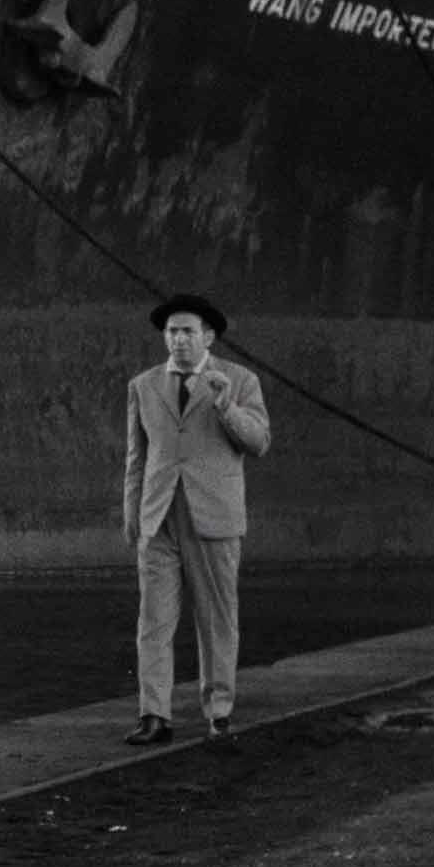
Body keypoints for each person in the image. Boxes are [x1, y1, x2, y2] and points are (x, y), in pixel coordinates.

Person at [122, 293, 271, 748]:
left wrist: (226, 406)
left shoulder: (240, 380)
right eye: (172, 332)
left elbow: (259, 442)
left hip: (214, 517)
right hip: (158, 519)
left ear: (208, 337)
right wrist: (132, 516)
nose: (178, 339)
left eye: (188, 331)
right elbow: (136, 458)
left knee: (217, 621)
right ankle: (154, 715)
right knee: (153, 622)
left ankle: (219, 712)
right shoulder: (143, 386)